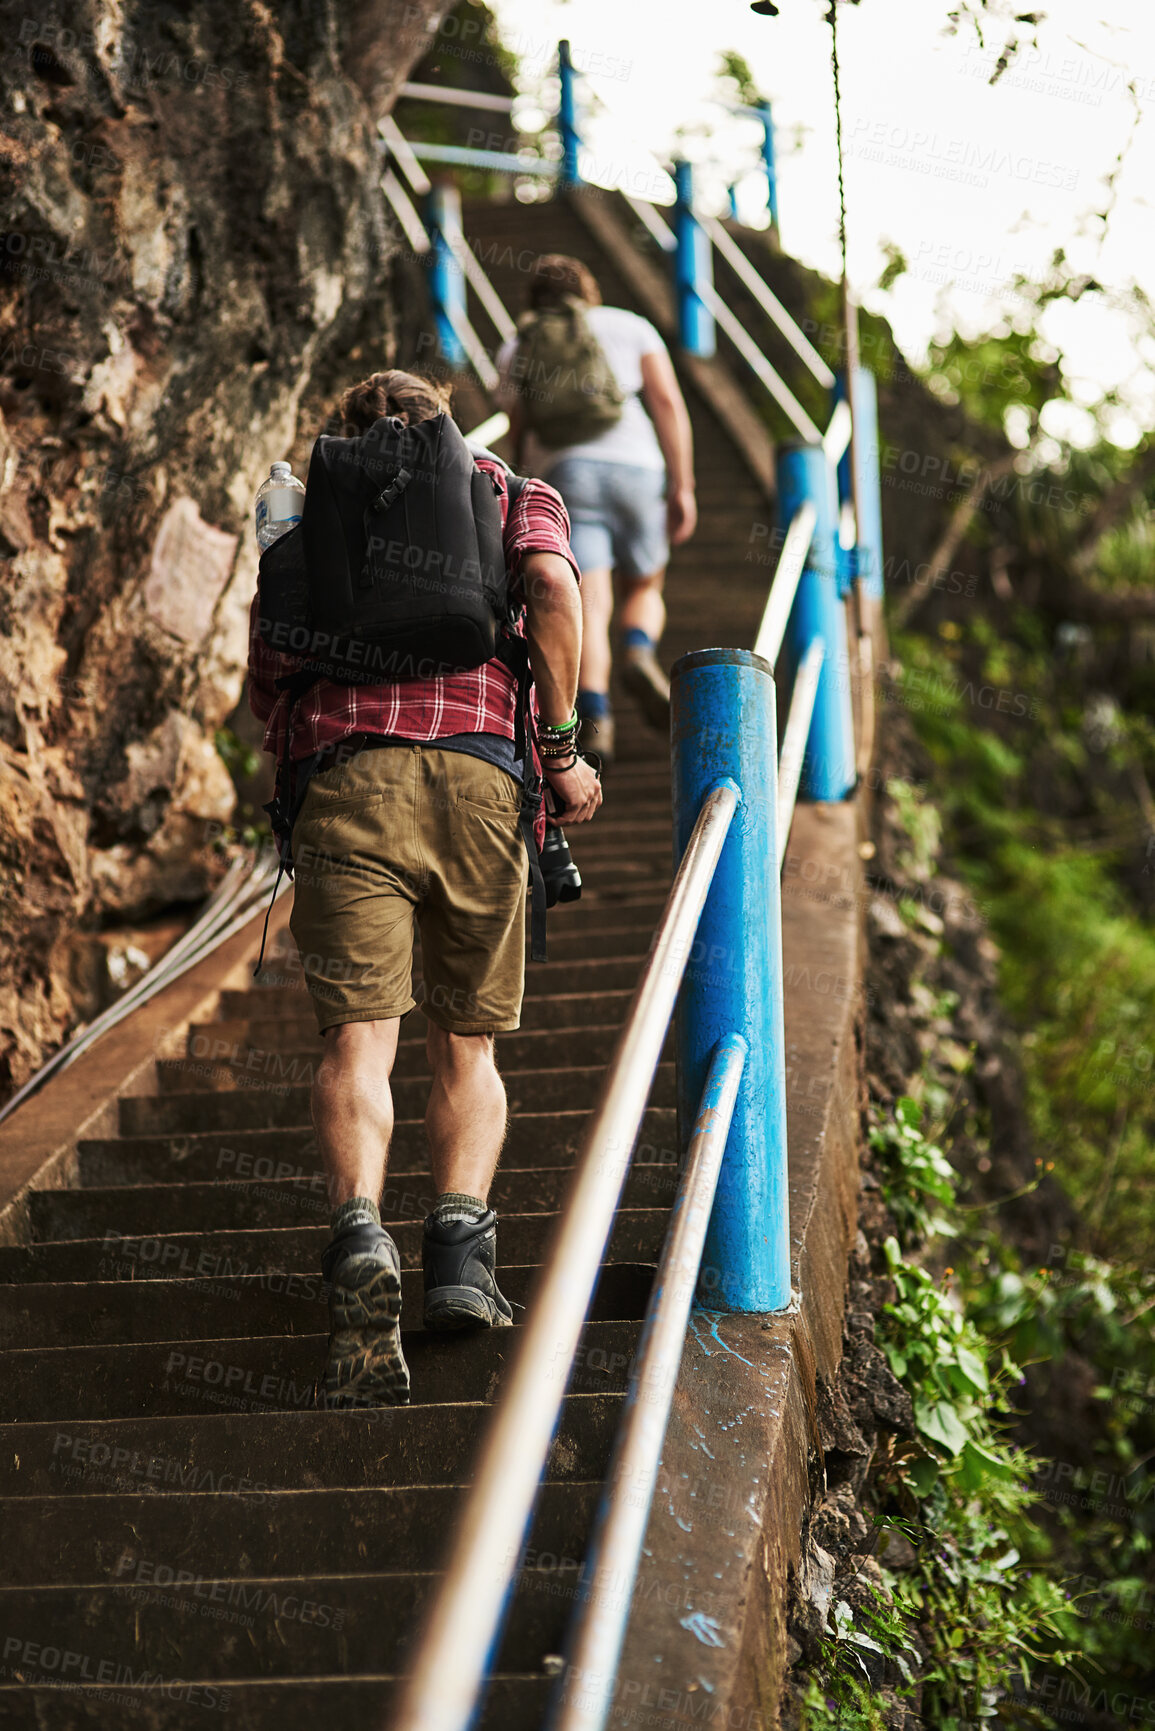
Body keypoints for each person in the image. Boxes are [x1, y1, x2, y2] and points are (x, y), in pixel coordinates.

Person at [248, 368, 601, 1409]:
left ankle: (362, 1236)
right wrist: (566, 744)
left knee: (359, 1040)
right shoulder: (506, 485)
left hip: (343, 782)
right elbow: (551, 592)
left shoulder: (309, 507)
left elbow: (270, 666)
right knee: (467, 1040)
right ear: (445, 420)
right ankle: (460, 1254)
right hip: (481, 779)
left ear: (342, 434)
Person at [497, 254, 697, 763]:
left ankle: (598, 717)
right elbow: (668, 404)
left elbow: (516, 430)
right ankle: (637, 650)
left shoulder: (518, 344)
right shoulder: (631, 327)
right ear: (589, 291)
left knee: (588, 602)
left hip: (565, 477)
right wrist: (683, 486)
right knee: (645, 584)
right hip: (637, 466)